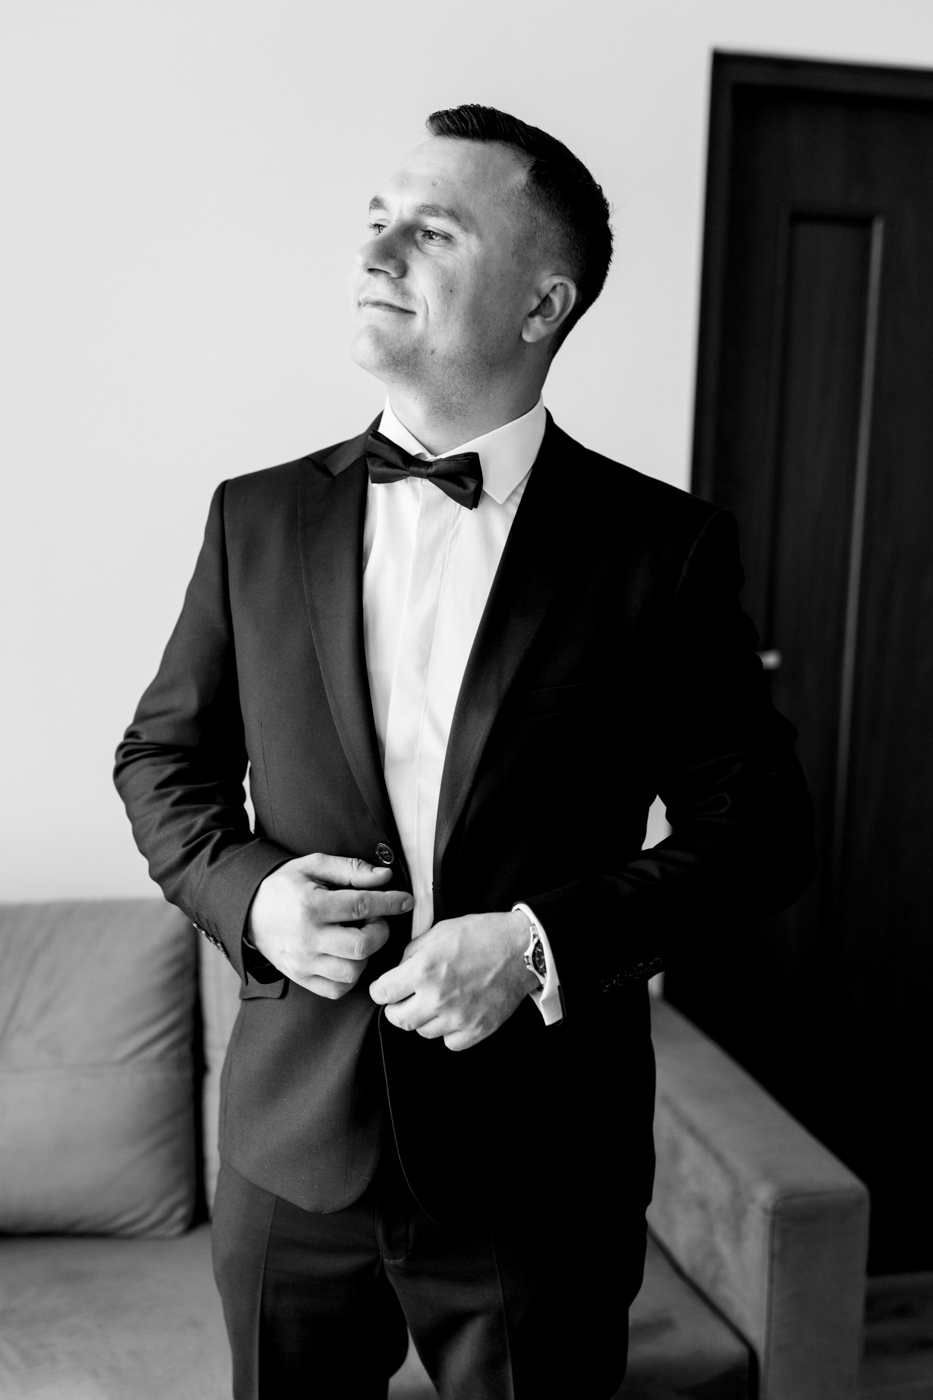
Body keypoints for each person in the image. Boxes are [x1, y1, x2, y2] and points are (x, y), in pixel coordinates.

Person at [115, 104, 815, 1400]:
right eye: (377, 220)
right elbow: (162, 763)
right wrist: (253, 898)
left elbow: (763, 831)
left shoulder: (662, 551)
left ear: (543, 303)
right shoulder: (255, 518)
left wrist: (540, 944)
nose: (376, 252)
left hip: (539, 1169)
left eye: (432, 231)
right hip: (288, 1151)